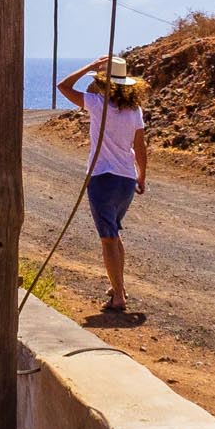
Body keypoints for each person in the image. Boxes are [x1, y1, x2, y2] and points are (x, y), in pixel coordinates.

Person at [57, 53, 149, 317]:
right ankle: (118, 286)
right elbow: (140, 147)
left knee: (108, 238)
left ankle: (119, 296)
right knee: (114, 232)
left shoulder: (97, 104)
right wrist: (141, 176)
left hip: (102, 178)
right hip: (126, 180)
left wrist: (89, 66)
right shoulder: (135, 111)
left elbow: (63, 86)